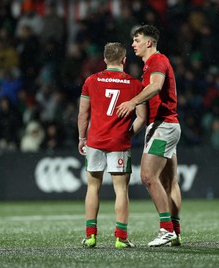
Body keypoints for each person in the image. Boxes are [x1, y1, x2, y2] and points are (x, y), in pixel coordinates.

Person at [116, 25, 182, 247]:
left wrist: (132, 101)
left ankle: (166, 229)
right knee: (169, 181)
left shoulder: (156, 61)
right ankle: (176, 231)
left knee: (147, 176)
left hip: (163, 126)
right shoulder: (151, 64)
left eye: (136, 40)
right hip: (167, 125)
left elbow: (155, 87)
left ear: (149, 42)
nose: (133, 44)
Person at [77, 42, 147, 248]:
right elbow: (142, 117)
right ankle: (120, 237)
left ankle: (90, 236)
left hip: (95, 141)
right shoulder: (135, 85)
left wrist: (82, 138)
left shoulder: (91, 80)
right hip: (119, 143)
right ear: (124, 60)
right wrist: (128, 134)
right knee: (121, 190)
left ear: (105, 59)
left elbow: (83, 114)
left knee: (92, 187)